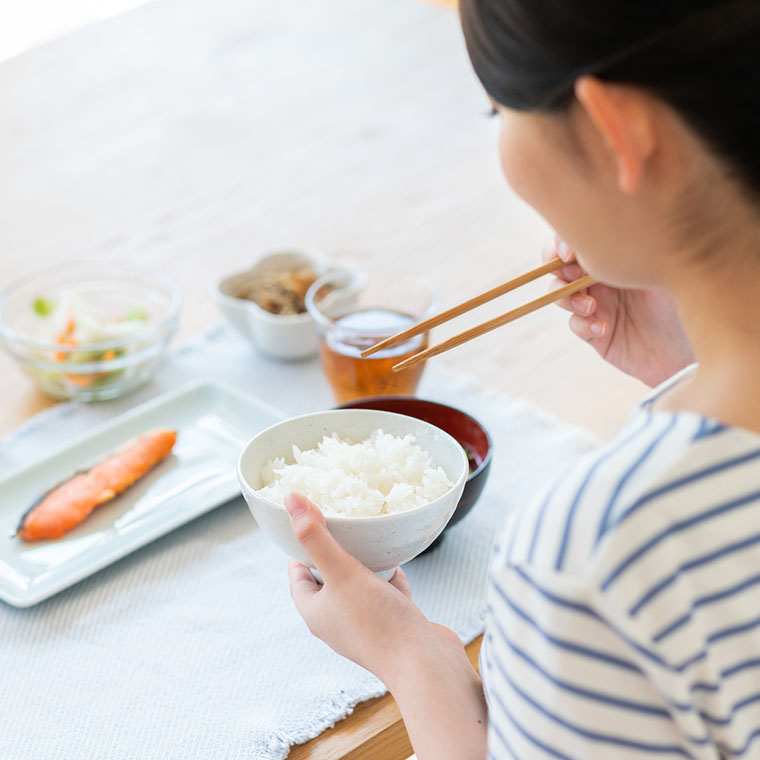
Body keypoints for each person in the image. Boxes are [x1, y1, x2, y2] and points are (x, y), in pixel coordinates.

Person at [283, 1, 760, 757]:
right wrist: (692, 363)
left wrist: (413, 660)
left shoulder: (596, 555)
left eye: (495, 106)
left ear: (619, 132)